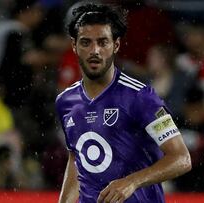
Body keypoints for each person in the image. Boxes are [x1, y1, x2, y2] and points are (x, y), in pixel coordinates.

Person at [55, 3, 191, 203]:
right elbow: (76, 159)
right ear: (74, 46)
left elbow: (181, 158)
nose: (95, 51)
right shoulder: (65, 101)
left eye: (102, 42)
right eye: (86, 42)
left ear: (116, 45)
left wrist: (132, 182)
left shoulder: (142, 97)